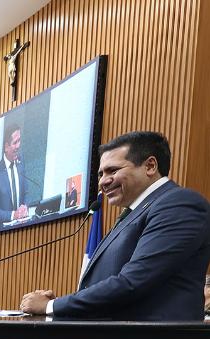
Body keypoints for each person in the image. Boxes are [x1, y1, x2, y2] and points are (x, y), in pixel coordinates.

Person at [21, 131, 210, 320]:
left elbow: (132, 282)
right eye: (101, 174)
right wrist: (65, 305)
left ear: (150, 166)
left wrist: (51, 305)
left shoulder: (178, 204)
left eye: (112, 170)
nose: (103, 181)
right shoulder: (135, 212)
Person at [0, 124, 35, 227]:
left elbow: (26, 192)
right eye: (15, 142)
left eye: (19, 140)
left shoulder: (21, 162)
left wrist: (25, 206)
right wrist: (14, 215)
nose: (18, 146)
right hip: (2, 235)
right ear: (6, 147)